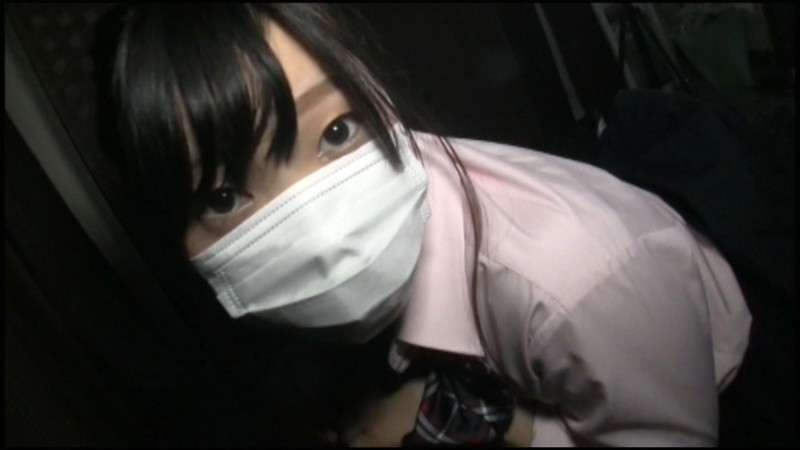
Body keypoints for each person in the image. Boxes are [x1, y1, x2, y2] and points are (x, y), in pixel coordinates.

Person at [111, 4, 752, 446]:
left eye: (336, 132)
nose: (323, 236)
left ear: (379, 96)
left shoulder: (579, 283)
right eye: (224, 197)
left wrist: (505, 427)